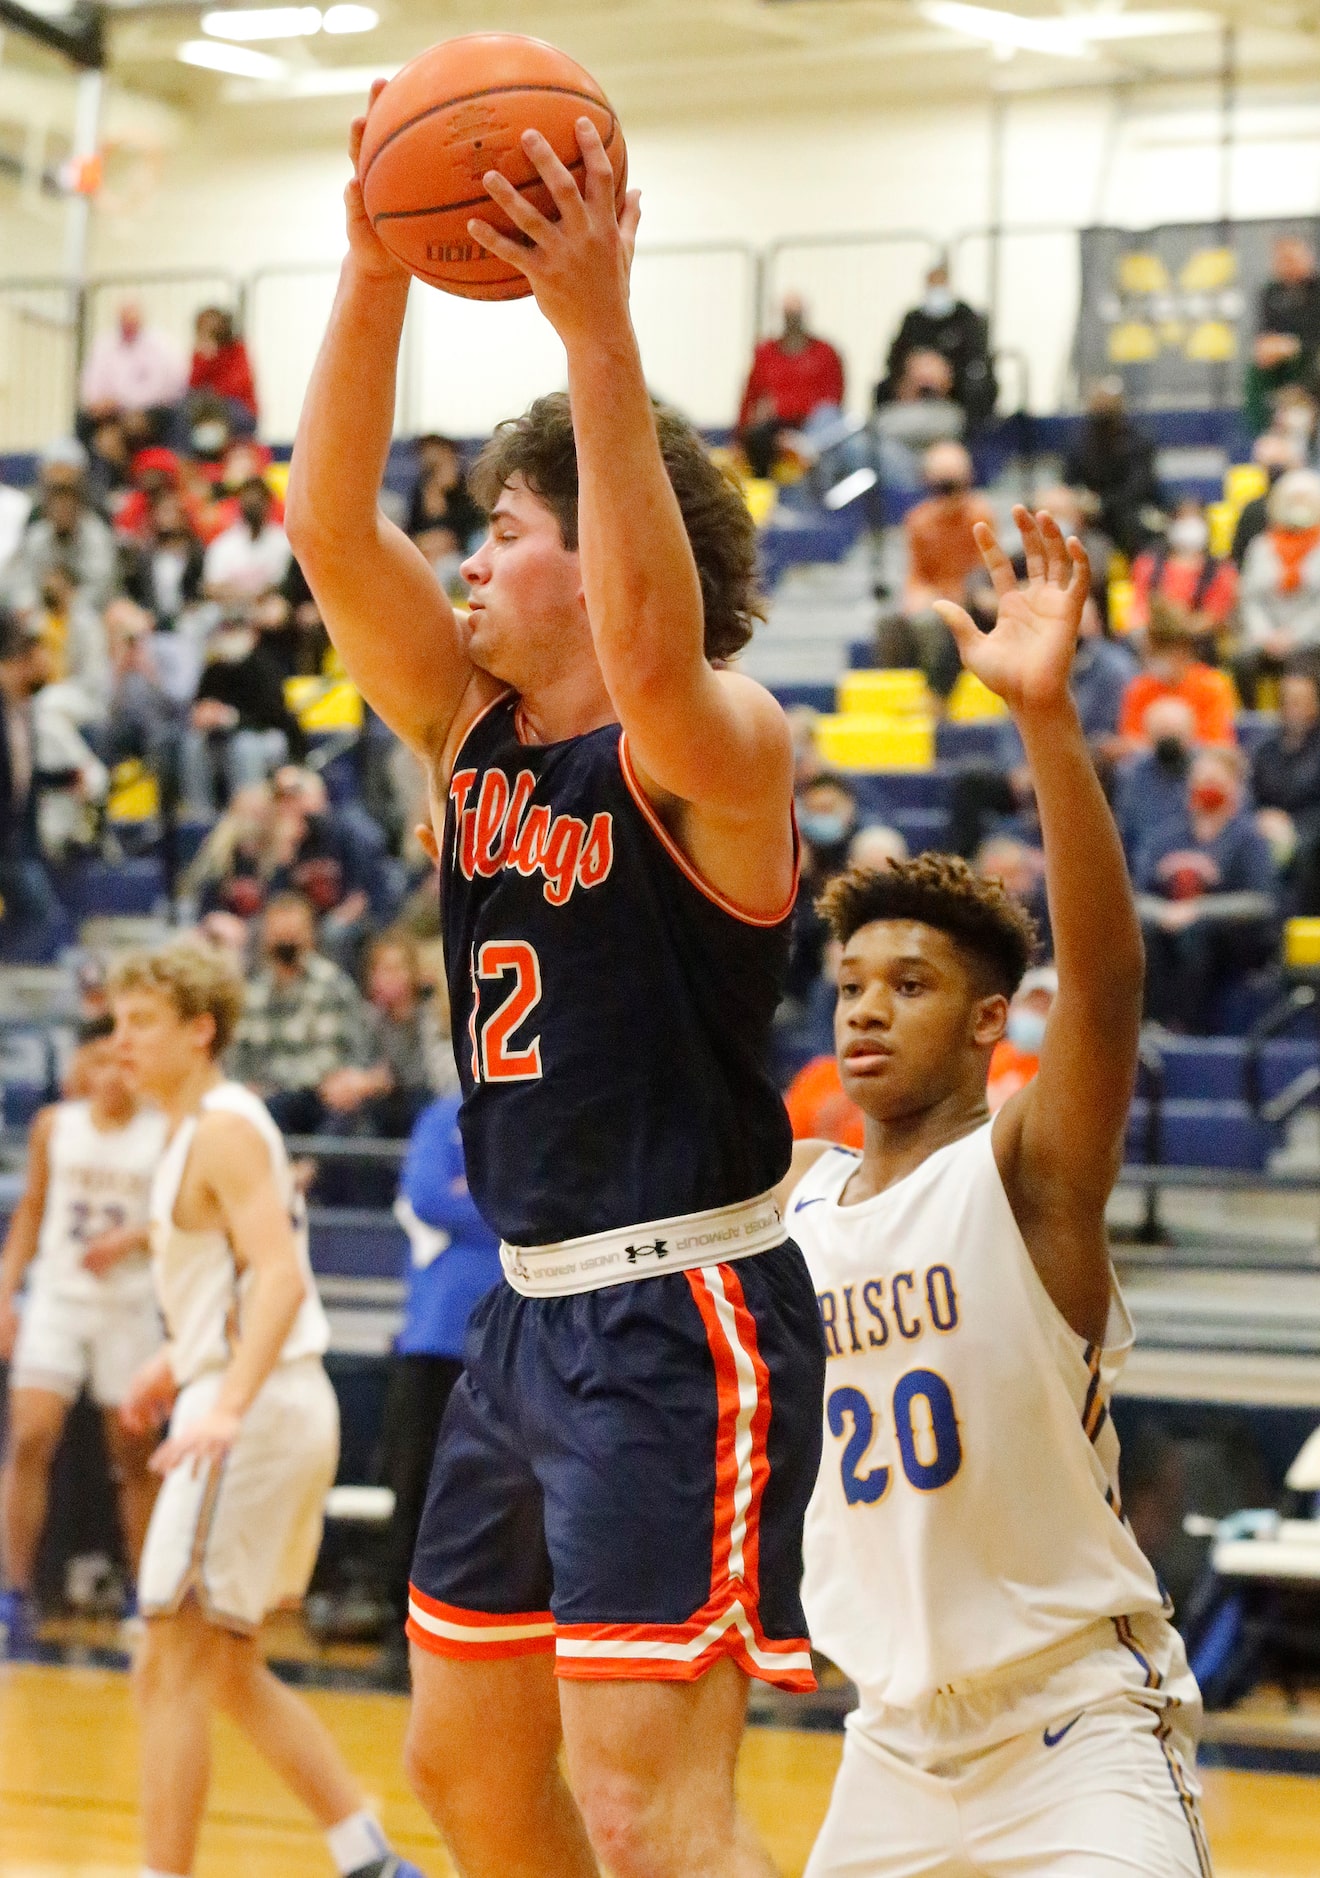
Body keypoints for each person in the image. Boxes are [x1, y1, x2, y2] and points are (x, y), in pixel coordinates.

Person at [286, 93, 824, 1878]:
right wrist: (372, 270)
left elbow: (657, 656)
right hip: (523, 1313)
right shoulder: (468, 727)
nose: (471, 559)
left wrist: (596, 326)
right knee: (466, 1766)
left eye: (510, 528)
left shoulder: (720, 747)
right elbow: (326, 528)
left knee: (644, 1806)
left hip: (682, 1316)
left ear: (597, 547)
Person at [780, 507, 1212, 1878]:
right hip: (891, 1745)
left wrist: (1045, 723)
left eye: (910, 987)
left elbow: (1110, 987)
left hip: (1074, 1730)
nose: (867, 1012)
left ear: (986, 1023)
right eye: (852, 985)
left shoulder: (1022, 1175)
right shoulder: (793, 1199)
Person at [108, 941, 425, 1878]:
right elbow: (242, 1284)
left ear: (200, 1030)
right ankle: (368, 1857)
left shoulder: (221, 1127)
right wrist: (177, 1360)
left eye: (142, 1024)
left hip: (254, 1408)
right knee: (225, 1666)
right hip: (260, 1396)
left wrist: (223, 1403)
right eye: (116, 1022)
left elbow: (284, 1277)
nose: (120, 1041)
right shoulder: (192, 1133)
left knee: (167, 1658)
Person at [0, 1016, 167, 1655]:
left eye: (119, 1063)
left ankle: (144, 1591)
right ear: (81, 1070)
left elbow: (181, 1217)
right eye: (96, 1063)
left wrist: (130, 1238)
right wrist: (8, 1290)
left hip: (128, 1305)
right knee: (31, 1436)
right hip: (58, 1299)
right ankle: (16, 1590)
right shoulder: (56, 1127)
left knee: (132, 1452)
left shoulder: (162, 1133)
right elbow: (32, 1209)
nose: (108, 1076)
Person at [382, 1092, 503, 1650]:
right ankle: (397, 1623)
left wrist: (470, 1193)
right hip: (436, 1334)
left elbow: (556, 1202)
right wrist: (501, 1200)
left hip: (517, 1336)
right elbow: (428, 1197)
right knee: (419, 1485)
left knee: (512, 1493)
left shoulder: (536, 1104)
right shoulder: (442, 1114)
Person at [1136, 745, 1281, 1032]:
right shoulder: (1166, 837)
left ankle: (1187, 1028)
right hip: (1168, 928)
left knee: (1197, 934)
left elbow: (1262, 901)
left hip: (1232, 939)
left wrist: (1197, 911)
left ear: (1235, 787)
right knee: (1146, 934)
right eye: (1200, 781)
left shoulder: (1249, 838)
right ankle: (1150, 1025)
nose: (1206, 788)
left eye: (1214, 781)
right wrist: (1164, 912)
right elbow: (1134, 895)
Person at [228, 893, 375, 1135]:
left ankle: (310, 1170)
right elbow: (239, 1061)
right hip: (268, 1103)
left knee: (347, 1111)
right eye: (279, 933)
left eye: (293, 933)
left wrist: (345, 1079)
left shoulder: (334, 985)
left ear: (310, 935)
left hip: (322, 1102)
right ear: (265, 936)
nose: (286, 940)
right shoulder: (252, 994)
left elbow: (353, 1053)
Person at [875, 441, 995, 699]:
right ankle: (892, 702)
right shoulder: (918, 520)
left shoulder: (980, 516)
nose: (945, 495)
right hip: (935, 598)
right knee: (888, 622)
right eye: (939, 486)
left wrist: (953, 598)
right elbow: (916, 576)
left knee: (932, 622)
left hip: (971, 602)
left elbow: (984, 571)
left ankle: (935, 697)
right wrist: (919, 597)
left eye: (951, 486)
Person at [0, 608, 65, 963]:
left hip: (17, 839)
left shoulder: (23, 709)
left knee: (34, 917)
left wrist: (64, 779)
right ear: (22, 662)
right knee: (42, 913)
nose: (49, 668)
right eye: (43, 660)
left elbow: (21, 776)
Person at [877, 260, 997, 430]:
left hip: (954, 398)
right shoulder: (913, 320)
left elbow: (976, 360)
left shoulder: (965, 319)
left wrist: (943, 375)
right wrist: (915, 373)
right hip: (911, 399)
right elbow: (895, 360)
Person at [737, 292, 846, 479]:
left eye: (796, 315)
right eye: (788, 315)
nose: (793, 321)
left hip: (814, 426)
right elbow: (750, 396)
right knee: (758, 435)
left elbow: (834, 398)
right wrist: (739, 438)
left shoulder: (826, 353)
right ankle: (763, 485)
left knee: (828, 421)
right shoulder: (766, 353)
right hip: (778, 425)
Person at [1235, 467, 1320, 703]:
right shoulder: (1261, 546)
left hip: (1311, 640)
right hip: (1266, 638)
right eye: (1293, 499)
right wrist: (1264, 636)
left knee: (1302, 667)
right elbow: (1250, 599)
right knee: (1242, 662)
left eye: (1305, 499)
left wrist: (1292, 637)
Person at [4, 442, 118, 613]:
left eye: (67, 495)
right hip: (42, 611)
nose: (61, 506)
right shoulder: (37, 532)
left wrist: (65, 602)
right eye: (55, 495)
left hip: (87, 612)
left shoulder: (96, 530)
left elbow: (101, 587)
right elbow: (21, 582)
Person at [1062, 379, 1162, 561]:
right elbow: (1069, 481)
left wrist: (1102, 504)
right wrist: (1081, 500)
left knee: (1135, 528)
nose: (1102, 410)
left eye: (1108, 404)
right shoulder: (1080, 442)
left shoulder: (1137, 441)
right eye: (1098, 403)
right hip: (1090, 519)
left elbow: (1140, 486)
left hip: (1128, 514)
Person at [1118, 599, 1237, 750]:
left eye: (1160, 652)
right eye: (1150, 653)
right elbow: (1129, 742)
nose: (1153, 658)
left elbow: (1217, 745)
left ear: (1182, 650)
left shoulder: (1211, 686)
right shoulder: (1140, 689)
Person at [1252, 655, 1320, 912]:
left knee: (1303, 850)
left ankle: (1293, 922)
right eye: (1288, 700)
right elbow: (1252, 795)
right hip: (1268, 824)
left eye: (1301, 701)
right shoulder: (1265, 748)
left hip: (1310, 827)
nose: (1294, 707)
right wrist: (1263, 817)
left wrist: (1290, 825)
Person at [1127, 499, 1237, 647]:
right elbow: (1139, 609)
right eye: (1183, 519)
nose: (1189, 527)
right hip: (1154, 639)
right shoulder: (1148, 564)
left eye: (1195, 519)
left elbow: (1215, 616)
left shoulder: (1221, 571)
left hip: (1198, 643)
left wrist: (1179, 629)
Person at [78, 299, 188, 447]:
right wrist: (99, 403)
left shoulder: (162, 346)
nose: (129, 325)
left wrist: (121, 401)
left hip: (152, 411)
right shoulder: (104, 345)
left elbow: (165, 389)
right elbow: (91, 387)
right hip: (112, 413)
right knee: (83, 420)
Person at [1246, 236, 1320, 436]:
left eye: (1293, 258)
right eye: (1282, 259)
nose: (1288, 265)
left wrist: (1295, 345)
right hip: (1282, 359)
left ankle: (1305, 400)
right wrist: (1270, 348)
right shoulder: (1270, 292)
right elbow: (1264, 332)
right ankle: (1261, 434)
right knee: (1257, 364)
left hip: (1311, 354)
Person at [202, 476, 292, 603]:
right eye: (248, 499)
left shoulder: (283, 542)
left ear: (268, 503)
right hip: (229, 608)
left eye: (258, 499)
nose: (253, 504)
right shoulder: (223, 544)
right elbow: (211, 586)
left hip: (268, 607)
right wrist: (243, 595)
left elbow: (283, 582)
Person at [1230, 431, 1304, 569]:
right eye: (1272, 467)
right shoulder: (1254, 510)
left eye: (1280, 466)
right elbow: (1239, 556)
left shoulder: (1309, 506)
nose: (1276, 472)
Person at [186, 306, 259, 436]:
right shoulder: (200, 354)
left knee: (218, 411)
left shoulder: (238, 349)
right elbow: (192, 386)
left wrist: (212, 392)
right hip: (206, 407)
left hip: (237, 409)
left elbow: (239, 385)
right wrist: (206, 358)